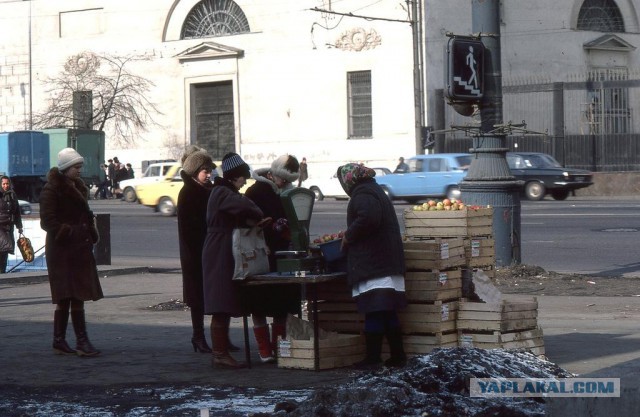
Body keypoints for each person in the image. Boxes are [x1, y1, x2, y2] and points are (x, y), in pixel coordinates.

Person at [202, 152, 271, 368]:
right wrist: (257, 212)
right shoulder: (223, 192)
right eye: (242, 178)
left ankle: (220, 352)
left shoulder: (222, 191)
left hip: (222, 247)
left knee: (224, 299)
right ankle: (219, 354)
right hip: (219, 249)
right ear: (234, 177)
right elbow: (244, 205)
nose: (244, 182)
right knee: (221, 301)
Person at [336, 163, 407, 368]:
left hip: (375, 263)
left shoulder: (363, 194)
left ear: (349, 180)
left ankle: (373, 358)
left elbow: (368, 218)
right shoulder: (374, 190)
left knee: (375, 309)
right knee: (387, 311)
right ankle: (397, 356)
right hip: (386, 261)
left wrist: (349, 235)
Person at [40, 148, 102, 357]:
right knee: (66, 296)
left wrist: (89, 230)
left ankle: (72, 341)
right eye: (76, 167)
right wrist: (69, 232)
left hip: (78, 249)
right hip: (62, 250)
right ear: (66, 168)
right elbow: (48, 221)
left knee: (78, 295)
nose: (79, 170)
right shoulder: (52, 189)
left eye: (80, 167)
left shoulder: (77, 187)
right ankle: (72, 341)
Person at [244, 154, 302, 363]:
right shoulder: (256, 191)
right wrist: (273, 225)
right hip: (260, 253)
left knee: (281, 304)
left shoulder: (284, 192)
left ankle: (277, 346)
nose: (286, 183)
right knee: (258, 303)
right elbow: (248, 221)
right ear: (273, 174)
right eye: (284, 179)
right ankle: (264, 349)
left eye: (289, 181)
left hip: (280, 254)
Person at [0, 176, 24, 273]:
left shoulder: (12, 195)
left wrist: (19, 226)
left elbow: (17, 211)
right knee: (5, 247)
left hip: (9, 226)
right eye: (4, 184)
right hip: (0, 226)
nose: (6, 186)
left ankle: (2, 272)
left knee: (5, 250)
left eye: (7, 183)